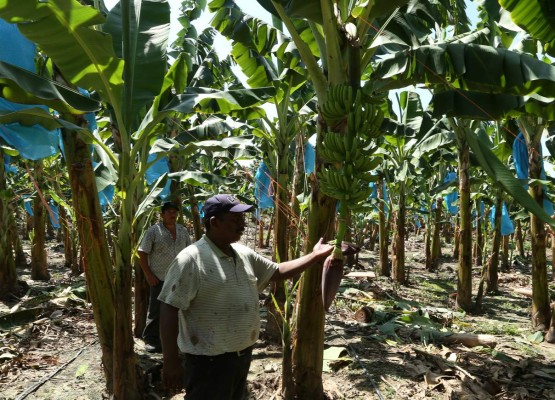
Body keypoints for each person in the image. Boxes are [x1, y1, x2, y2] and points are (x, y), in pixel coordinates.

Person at [159, 194, 334, 399]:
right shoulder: (191, 259)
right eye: (235, 219)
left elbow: (276, 271)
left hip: (241, 355)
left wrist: (315, 256)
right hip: (208, 361)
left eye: (242, 219)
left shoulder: (243, 253)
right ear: (214, 222)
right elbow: (169, 307)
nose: (242, 225)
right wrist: (170, 361)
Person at [138, 201, 192, 353]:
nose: (172, 214)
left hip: (179, 277)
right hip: (159, 277)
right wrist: (148, 275)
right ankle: (151, 340)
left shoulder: (182, 231)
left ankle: (176, 340)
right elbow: (142, 253)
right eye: (168, 211)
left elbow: (190, 251)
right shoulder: (154, 231)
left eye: (175, 212)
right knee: (155, 310)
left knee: (179, 309)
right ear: (162, 215)